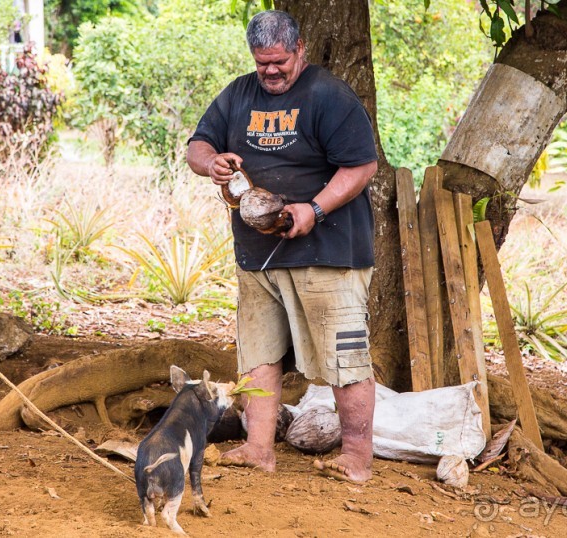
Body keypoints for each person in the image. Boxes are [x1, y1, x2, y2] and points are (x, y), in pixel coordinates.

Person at [186, 10, 379, 484]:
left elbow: (361, 167)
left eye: (279, 62)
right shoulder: (238, 94)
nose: (270, 72)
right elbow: (197, 145)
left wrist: (314, 208)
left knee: (344, 358)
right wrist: (211, 163)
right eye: (261, 63)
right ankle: (258, 449)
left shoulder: (328, 95)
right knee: (258, 354)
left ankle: (357, 457)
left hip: (327, 254)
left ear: (300, 50)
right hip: (258, 255)